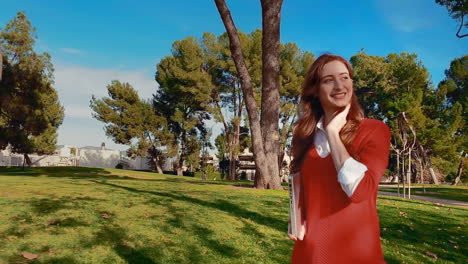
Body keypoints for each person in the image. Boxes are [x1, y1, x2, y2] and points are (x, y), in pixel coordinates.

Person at [288, 54, 391, 264]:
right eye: (328, 80)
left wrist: (333, 132)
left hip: (358, 254)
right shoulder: (304, 136)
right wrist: (294, 216)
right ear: (315, 90)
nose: (339, 85)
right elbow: (298, 183)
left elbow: (360, 191)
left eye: (344, 77)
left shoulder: (375, 131)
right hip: (310, 252)